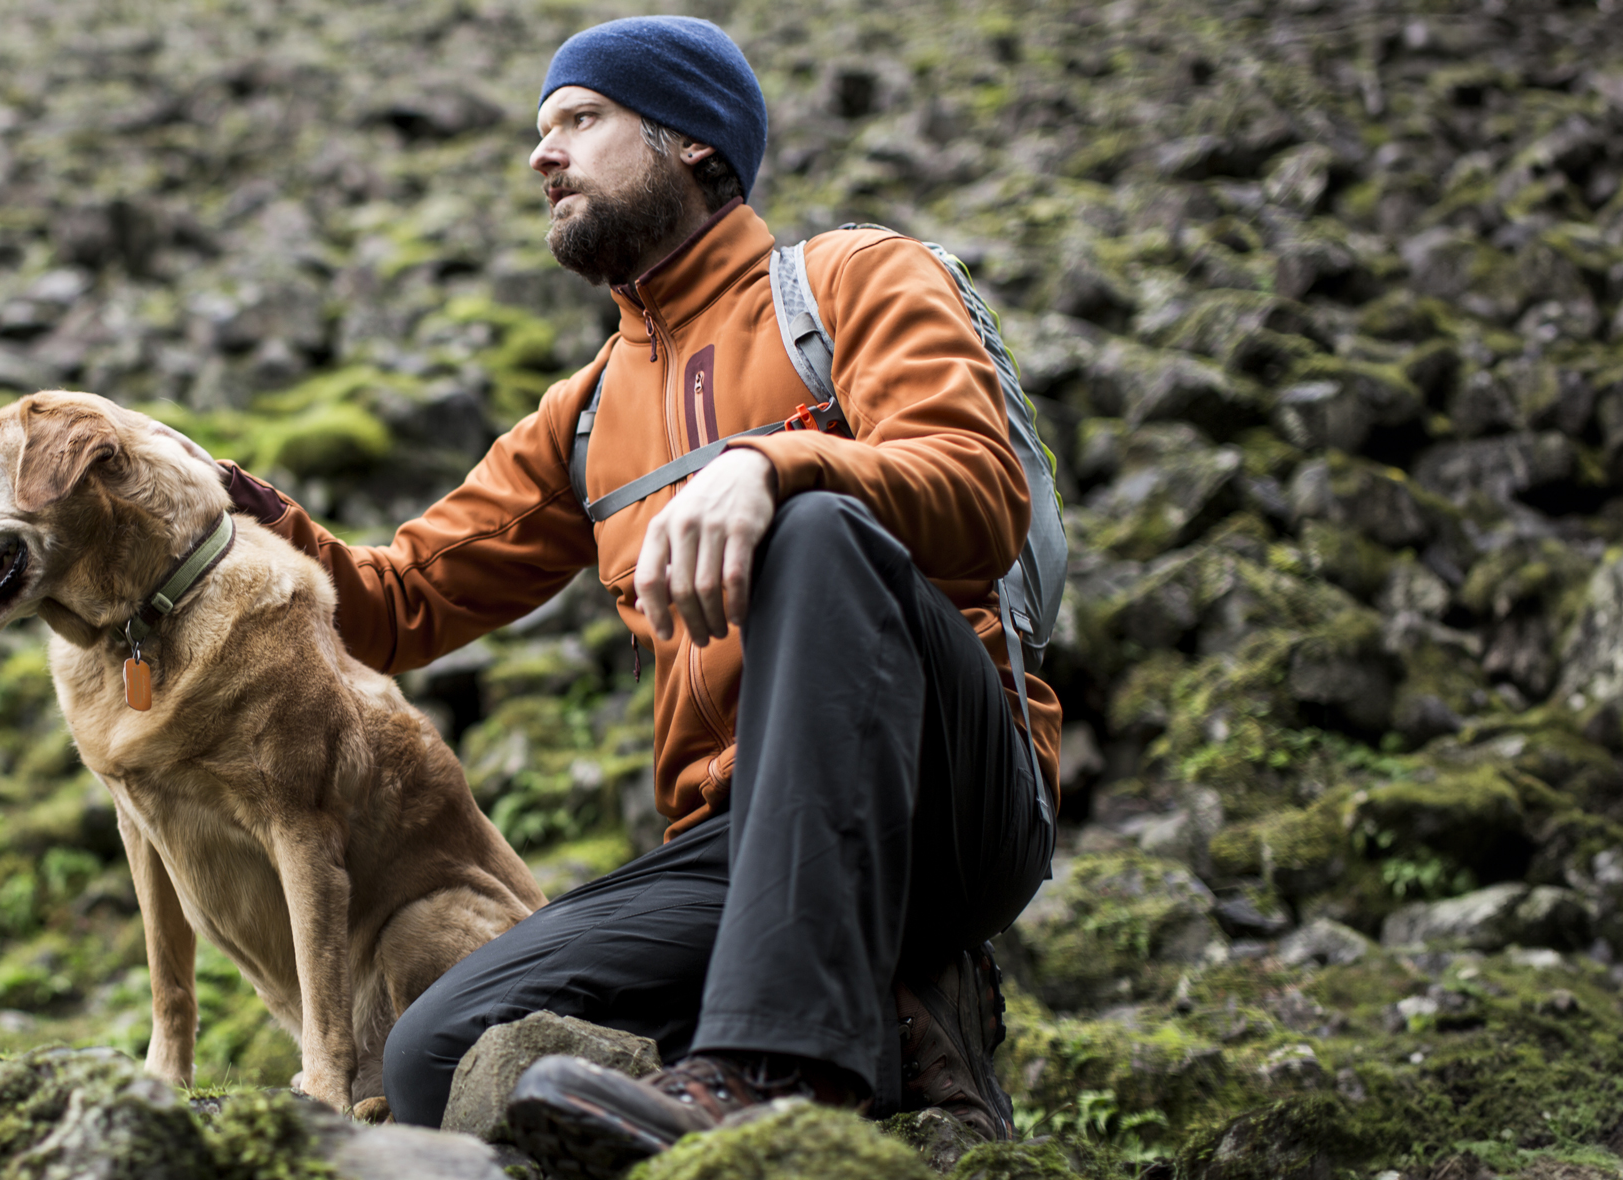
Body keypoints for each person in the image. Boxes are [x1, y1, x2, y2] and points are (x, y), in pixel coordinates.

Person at [178, 15, 1059, 1173]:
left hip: (945, 794)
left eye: (581, 121)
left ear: (693, 142)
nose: (543, 155)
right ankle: (880, 1036)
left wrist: (770, 461)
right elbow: (393, 611)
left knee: (817, 534)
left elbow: (978, 488)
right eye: (540, 132)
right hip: (736, 843)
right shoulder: (585, 414)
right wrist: (222, 513)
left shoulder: (848, 281)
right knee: (438, 1050)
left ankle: (773, 1065)